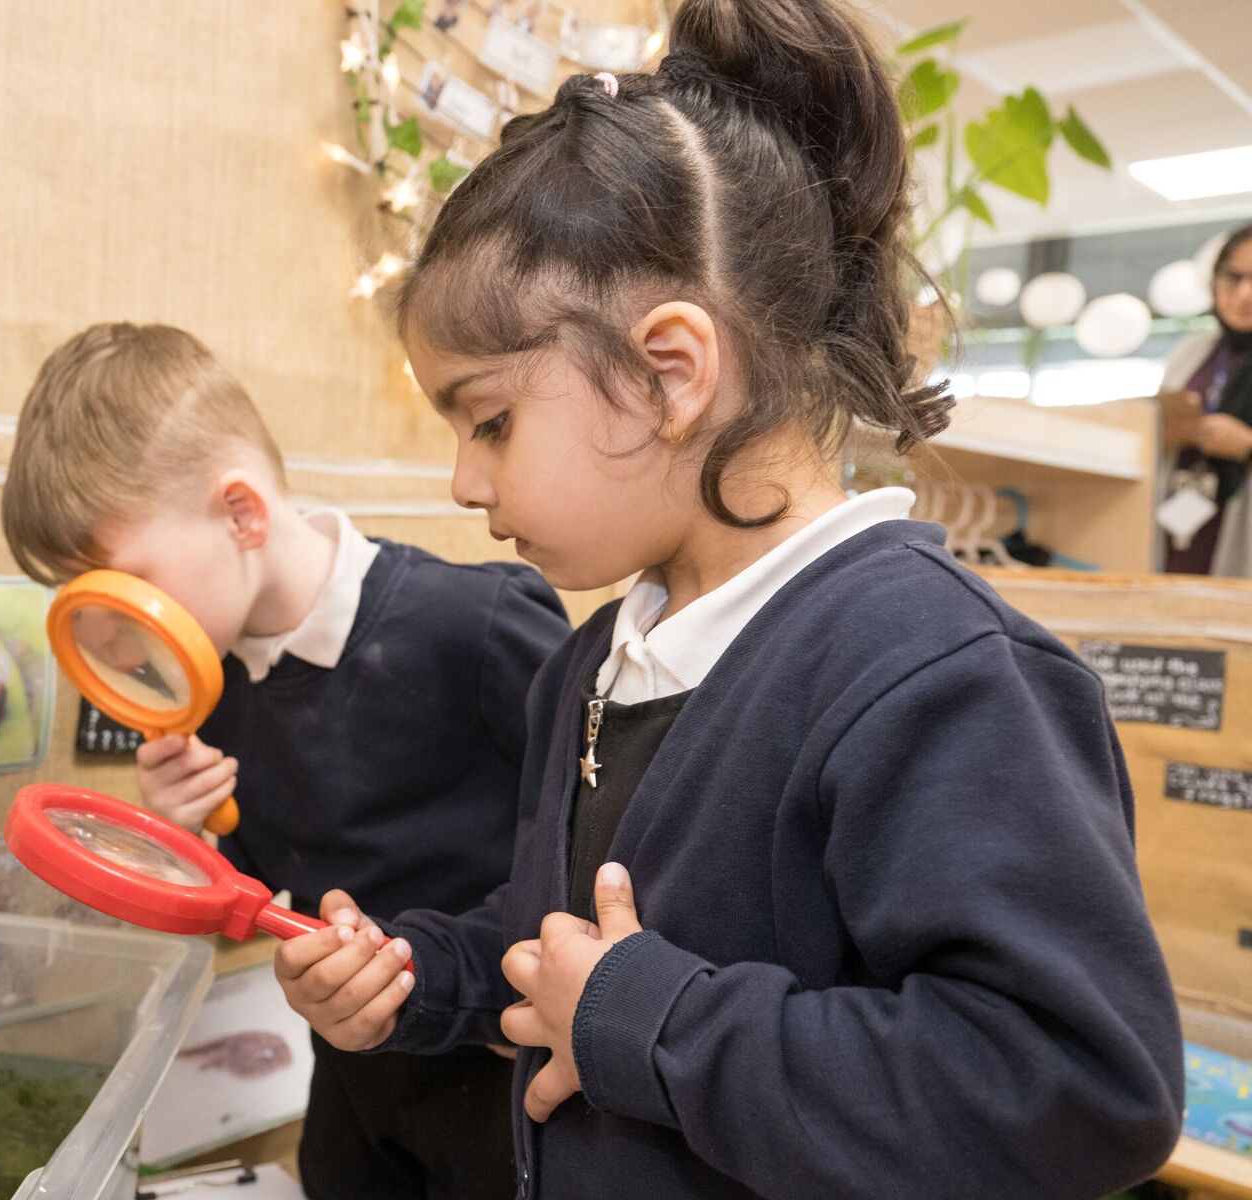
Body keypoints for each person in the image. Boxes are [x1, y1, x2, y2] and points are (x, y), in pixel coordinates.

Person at [270, 0, 1186, 1196]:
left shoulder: (933, 671)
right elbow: (561, 945)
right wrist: (417, 975)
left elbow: (1073, 1089)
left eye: (488, 421)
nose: (462, 482)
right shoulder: (590, 661)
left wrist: (649, 1023)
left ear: (668, 374)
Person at [0, 322, 570, 1200]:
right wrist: (189, 838)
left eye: (122, 590)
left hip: (503, 1066)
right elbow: (255, 895)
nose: (110, 641)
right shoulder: (215, 685)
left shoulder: (476, 625)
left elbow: (598, 831)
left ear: (241, 513)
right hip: (351, 1072)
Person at [1159, 221, 1252, 577]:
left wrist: (1246, 446)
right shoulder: (1192, 352)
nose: (1244, 294)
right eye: (1233, 277)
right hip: (1180, 534)